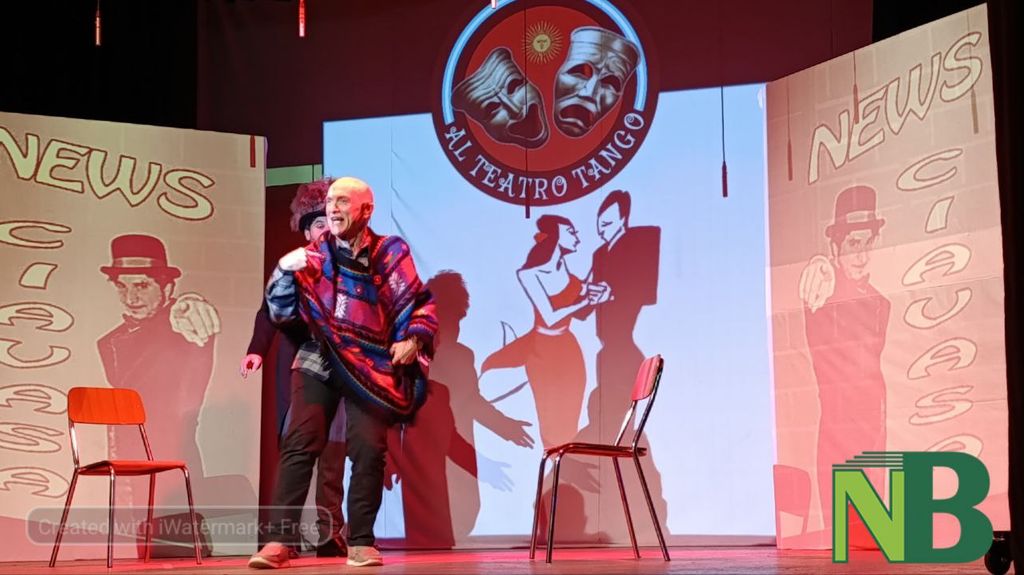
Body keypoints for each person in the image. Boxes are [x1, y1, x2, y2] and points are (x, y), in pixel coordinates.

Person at [252, 176, 437, 568]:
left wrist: (414, 339)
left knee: (368, 448)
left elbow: (419, 302)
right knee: (300, 441)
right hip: (318, 356)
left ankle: (361, 541)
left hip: (369, 365)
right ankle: (278, 541)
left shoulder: (390, 252)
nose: (333, 208)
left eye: (342, 202)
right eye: (330, 202)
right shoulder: (312, 256)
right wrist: (282, 273)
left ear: (366, 211)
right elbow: (279, 312)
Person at [241, 179, 347, 560]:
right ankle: (284, 536)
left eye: (330, 223)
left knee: (333, 456)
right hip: (299, 369)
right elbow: (269, 311)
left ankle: (330, 533)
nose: (325, 230)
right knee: (296, 452)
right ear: (306, 232)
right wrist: (257, 350)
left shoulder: (350, 266)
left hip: (339, 372)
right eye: (318, 224)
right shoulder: (294, 267)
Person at [798, 184, 890, 536]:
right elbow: (820, 280)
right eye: (852, 244)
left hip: (875, 434)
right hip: (841, 437)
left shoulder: (880, 303)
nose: (861, 255)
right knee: (847, 539)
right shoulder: (827, 289)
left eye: (867, 243)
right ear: (836, 247)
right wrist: (820, 265)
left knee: (874, 539)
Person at [97, 234, 220, 477]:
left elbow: (187, 315)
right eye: (122, 286)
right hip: (125, 463)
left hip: (169, 466)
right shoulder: (110, 342)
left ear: (168, 287)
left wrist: (190, 303)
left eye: (142, 286)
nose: (130, 298)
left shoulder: (180, 327)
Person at [481, 215, 608, 449]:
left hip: (568, 349)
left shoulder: (566, 271)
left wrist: (598, 294)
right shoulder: (529, 274)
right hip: (542, 351)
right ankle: (553, 463)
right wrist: (584, 301)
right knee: (549, 415)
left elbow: (580, 304)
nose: (577, 237)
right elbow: (550, 316)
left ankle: (567, 464)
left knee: (571, 412)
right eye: (571, 232)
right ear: (556, 237)